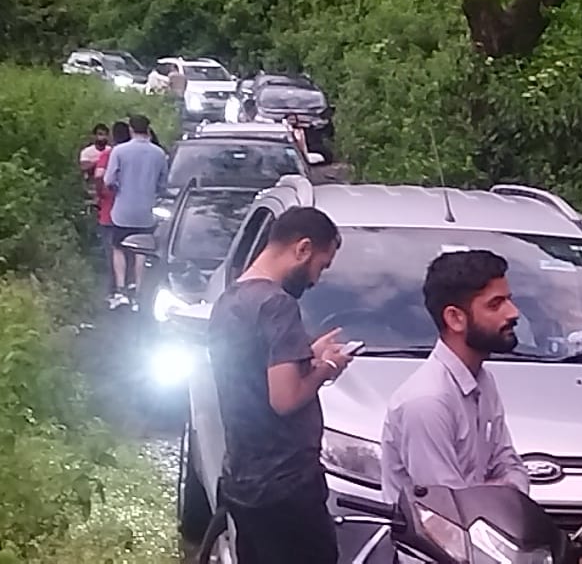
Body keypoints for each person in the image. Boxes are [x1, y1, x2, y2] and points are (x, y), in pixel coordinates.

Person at [207, 207, 351, 564]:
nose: (317, 278)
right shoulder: (277, 305)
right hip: (286, 487)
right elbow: (285, 399)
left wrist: (307, 355)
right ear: (302, 249)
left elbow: (253, 371)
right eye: (322, 264)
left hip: (242, 479)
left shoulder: (229, 299)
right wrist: (327, 368)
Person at [380, 250, 529, 503]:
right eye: (496, 304)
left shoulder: (482, 380)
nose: (513, 313)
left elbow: (512, 468)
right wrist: (499, 491)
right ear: (455, 318)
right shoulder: (427, 401)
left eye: (509, 300)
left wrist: (494, 491)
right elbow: (449, 512)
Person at [102, 114, 167, 309]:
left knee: (118, 248)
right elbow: (163, 183)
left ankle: (121, 291)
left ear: (131, 129)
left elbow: (108, 180)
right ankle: (138, 292)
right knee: (142, 251)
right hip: (146, 211)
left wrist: (119, 188)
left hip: (123, 209)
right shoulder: (159, 153)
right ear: (148, 129)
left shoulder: (120, 151)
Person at [93, 121, 131, 305]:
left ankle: (114, 290)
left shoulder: (109, 154)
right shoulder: (134, 154)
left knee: (112, 253)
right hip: (132, 210)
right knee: (132, 251)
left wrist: (100, 194)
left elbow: (99, 176)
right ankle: (131, 287)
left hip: (109, 210)